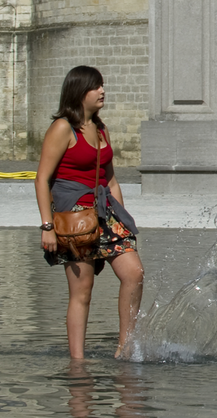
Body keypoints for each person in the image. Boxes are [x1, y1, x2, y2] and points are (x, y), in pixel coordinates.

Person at [34, 66, 144, 360]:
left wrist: (122, 219)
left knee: (134, 273)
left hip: (105, 212)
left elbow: (111, 179)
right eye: (96, 87)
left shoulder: (101, 127)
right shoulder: (62, 128)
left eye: (102, 85)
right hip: (75, 219)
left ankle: (125, 347)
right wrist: (47, 226)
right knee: (83, 290)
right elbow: (42, 178)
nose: (102, 91)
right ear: (79, 91)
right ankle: (78, 361)